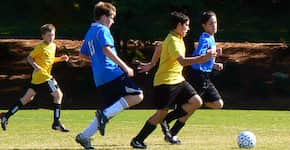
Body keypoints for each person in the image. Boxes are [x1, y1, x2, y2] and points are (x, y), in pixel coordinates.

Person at [130, 11, 216, 149]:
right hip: (165, 82)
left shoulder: (176, 37)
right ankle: (138, 140)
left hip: (178, 79)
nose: (188, 28)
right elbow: (182, 61)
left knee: (196, 102)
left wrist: (151, 64)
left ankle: (166, 120)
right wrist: (203, 58)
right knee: (160, 113)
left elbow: (159, 47)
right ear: (178, 25)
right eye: (186, 25)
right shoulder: (173, 40)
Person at [75, 2, 144, 149]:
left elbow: (82, 55)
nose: (113, 21)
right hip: (111, 72)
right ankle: (103, 116)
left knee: (111, 109)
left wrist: (97, 61)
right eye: (112, 17)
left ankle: (85, 136)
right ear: (104, 17)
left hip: (99, 78)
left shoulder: (91, 31)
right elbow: (107, 50)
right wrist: (125, 66)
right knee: (138, 95)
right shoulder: (103, 29)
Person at [160, 10, 224, 144]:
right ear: (204, 26)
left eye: (215, 23)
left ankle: (174, 123)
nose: (214, 26)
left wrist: (214, 65)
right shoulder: (205, 38)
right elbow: (200, 55)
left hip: (205, 76)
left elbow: (204, 59)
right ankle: (170, 127)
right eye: (211, 23)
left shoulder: (211, 38)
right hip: (198, 77)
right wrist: (210, 53)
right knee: (193, 105)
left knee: (218, 104)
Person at [0, 24, 70, 132]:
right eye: (49, 35)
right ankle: (56, 122)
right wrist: (35, 66)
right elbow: (29, 58)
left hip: (37, 79)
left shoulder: (53, 46)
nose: (51, 37)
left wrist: (60, 59)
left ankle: (6, 116)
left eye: (53, 35)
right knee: (58, 95)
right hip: (44, 77)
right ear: (43, 36)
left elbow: (49, 60)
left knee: (26, 99)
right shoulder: (40, 47)